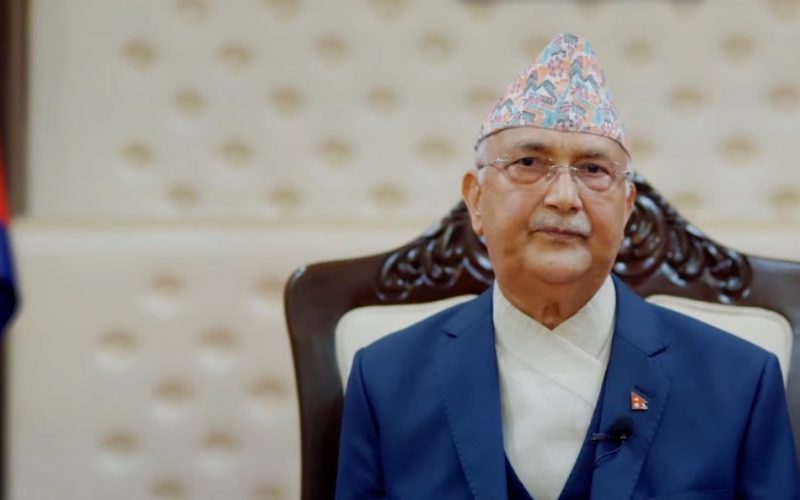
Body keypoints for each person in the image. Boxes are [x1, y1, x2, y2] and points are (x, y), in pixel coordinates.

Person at [335, 33, 800, 499]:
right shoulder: (386, 380)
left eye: (593, 170)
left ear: (627, 208)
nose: (563, 197)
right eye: (529, 162)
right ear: (475, 200)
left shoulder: (739, 384)